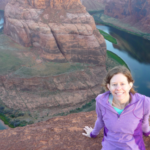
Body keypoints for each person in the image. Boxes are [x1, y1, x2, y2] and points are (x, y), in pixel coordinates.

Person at [82, 66, 150, 150]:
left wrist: (147, 133)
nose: (118, 88)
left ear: (130, 85)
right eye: (114, 84)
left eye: (122, 84)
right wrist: (93, 133)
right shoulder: (101, 101)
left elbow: (144, 122)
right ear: (108, 86)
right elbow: (100, 120)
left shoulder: (144, 102)